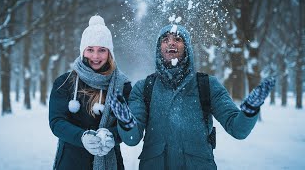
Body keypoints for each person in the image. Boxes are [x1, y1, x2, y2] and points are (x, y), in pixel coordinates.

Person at [109, 24, 276, 169]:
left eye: (177, 39)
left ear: (187, 47)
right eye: (165, 39)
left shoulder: (207, 85)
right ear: (159, 48)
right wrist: (126, 121)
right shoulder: (144, 87)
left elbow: (238, 130)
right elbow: (132, 139)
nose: (171, 43)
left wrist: (249, 110)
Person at [49, 15, 131, 170]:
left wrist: (112, 136)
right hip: (70, 162)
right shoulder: (65, 83)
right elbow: (57, 122)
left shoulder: (120, 86)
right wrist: (82, 137)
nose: (95, 56)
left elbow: (126, 123)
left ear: (109, 53)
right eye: (90, 50)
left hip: (110, 161)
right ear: (82, 51)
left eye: (102, 50)